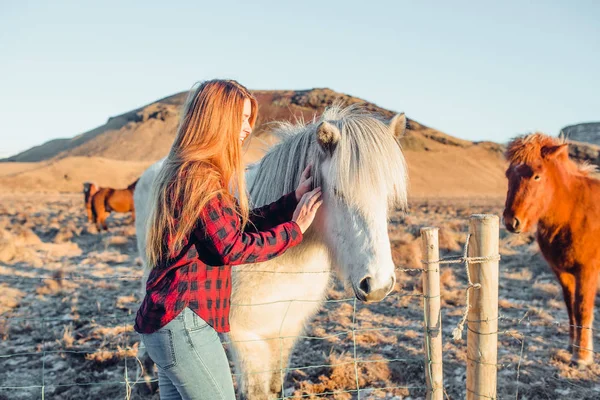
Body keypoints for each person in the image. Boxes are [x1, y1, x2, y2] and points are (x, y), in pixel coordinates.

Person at [134, 79, 322, 400]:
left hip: (169, 323)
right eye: (240, 119)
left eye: (249, 120)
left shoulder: (188, 170)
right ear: (215, 118)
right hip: (185, 324)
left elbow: (233, 227)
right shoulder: (200, 177)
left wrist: (292, 200)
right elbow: (230, 248)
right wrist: (295, 229)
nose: (247, 129)